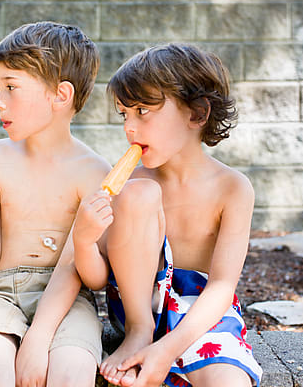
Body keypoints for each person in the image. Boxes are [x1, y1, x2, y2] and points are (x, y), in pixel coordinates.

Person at [0, 21, 110, 387]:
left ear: (60, 95)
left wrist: (40, 337)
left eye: (10, 87)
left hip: (71, 298)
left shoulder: (94, 173)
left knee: (72, 371)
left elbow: (94, 278)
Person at [73, 43, 263, 387]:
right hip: (138, 307)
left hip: (202, 312)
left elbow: (222, 286)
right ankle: (139, 333)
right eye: (124, 114)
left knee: (229, 380)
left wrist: (168, 350)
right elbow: (96, 278)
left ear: (197, 114)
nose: (129, 127)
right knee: (140, 192)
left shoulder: (233, 188)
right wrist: (84, 240)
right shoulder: (129, 183)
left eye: (143, 111)